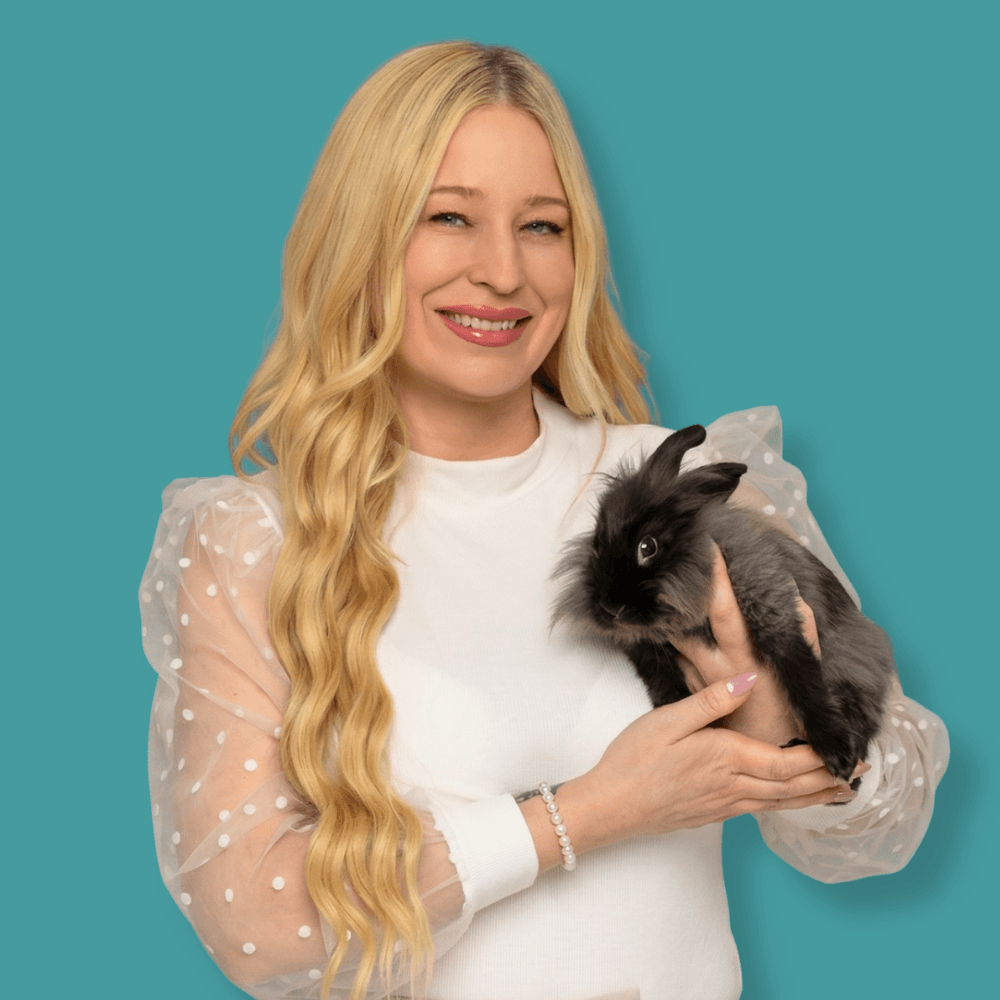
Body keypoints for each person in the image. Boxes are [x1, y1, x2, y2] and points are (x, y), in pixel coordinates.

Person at [139, 41, 949, 1000]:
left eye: (542, 226)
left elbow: (882, 821)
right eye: (448, 217)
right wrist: (586, 815)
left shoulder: (679, 490)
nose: (502, 272)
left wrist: (785, 738)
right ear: (360, 239)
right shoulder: (259, 541)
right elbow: (259, 928)